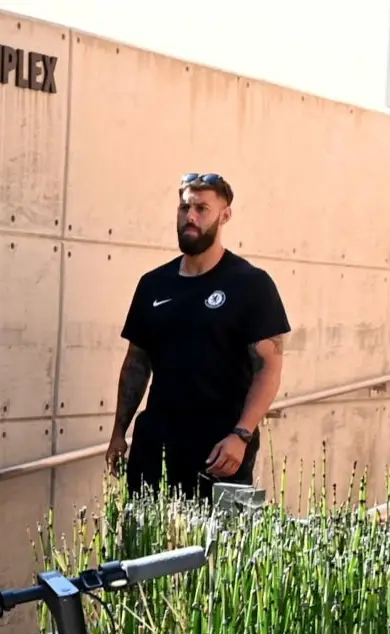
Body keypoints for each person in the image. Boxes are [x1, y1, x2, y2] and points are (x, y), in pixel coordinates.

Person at [105, 172, 290, 503]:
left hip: (221, 452)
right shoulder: (153, 284)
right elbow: (136, 362)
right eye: (184, 207)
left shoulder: (251, 284)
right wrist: (119, 433)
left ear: (225, 215)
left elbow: (269, 368)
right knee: (147, 545)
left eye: (202, 208)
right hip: (156, 446)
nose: (190, 217)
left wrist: (241, 434)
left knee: (219, 550)